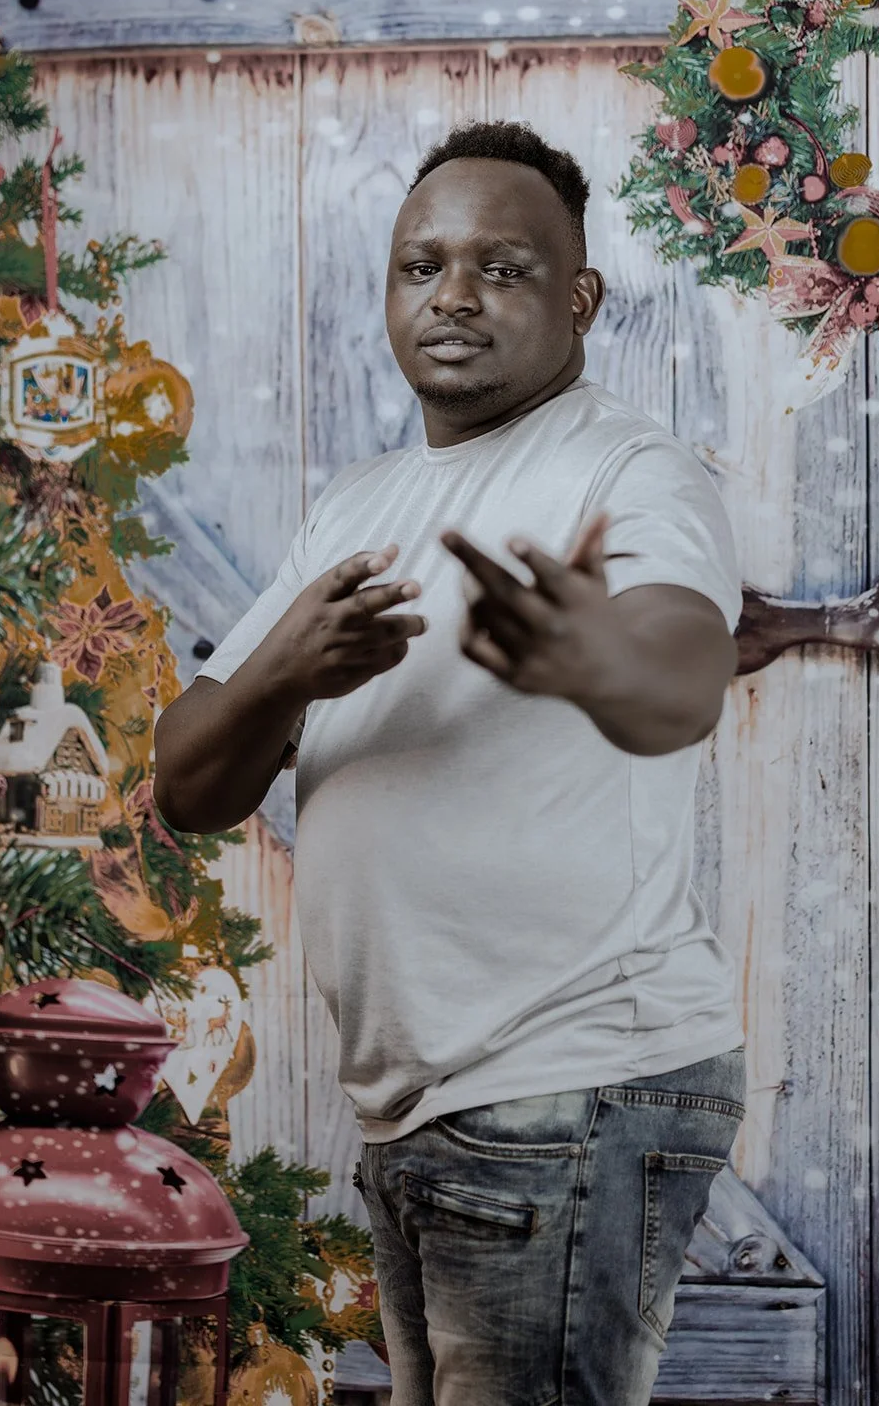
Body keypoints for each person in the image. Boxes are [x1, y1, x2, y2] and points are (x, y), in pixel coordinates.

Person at [153, 119, 747, 1406]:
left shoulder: (625, 470)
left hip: (567, 1082)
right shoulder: (357, 507)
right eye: (420, 267)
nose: (453, 297)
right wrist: (283, 673)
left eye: (501, 267)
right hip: (431, 1113)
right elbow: (184, 786)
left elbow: (681, 669)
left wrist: (593, 654)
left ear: (579, 297)